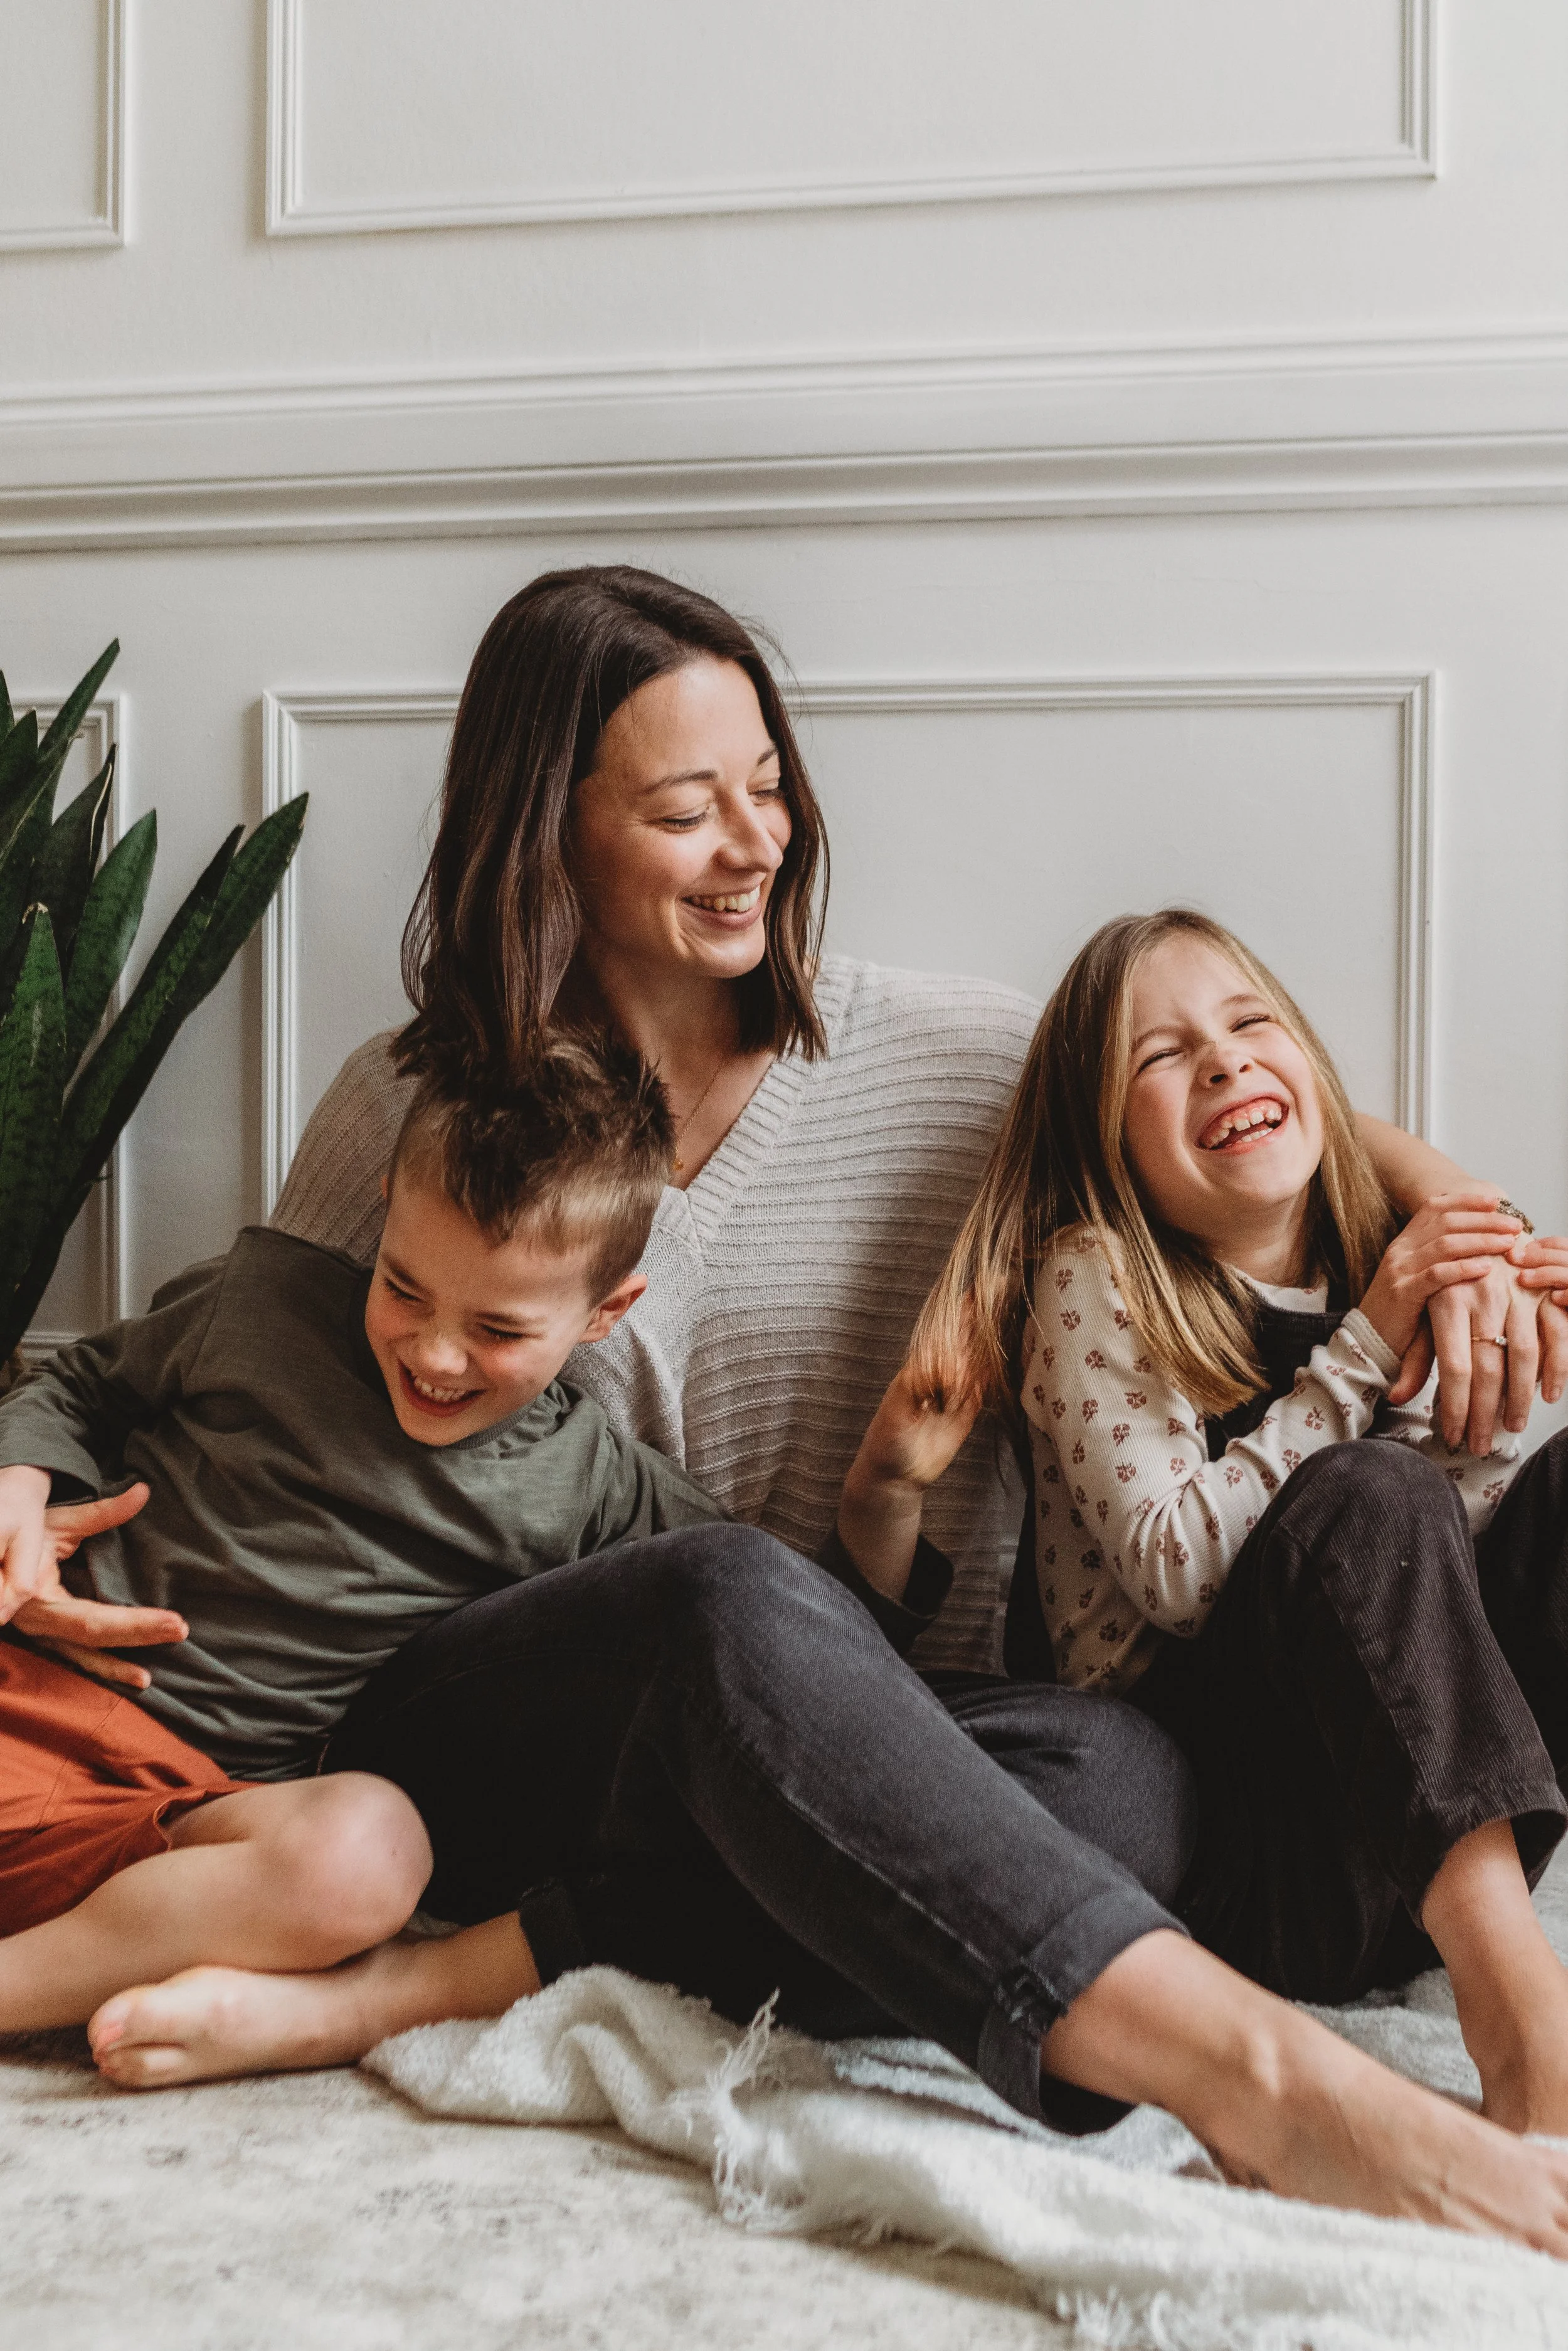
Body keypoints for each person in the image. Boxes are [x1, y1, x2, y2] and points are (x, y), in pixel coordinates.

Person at [271, 565, 1564, 1674]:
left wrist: (1470, 1241)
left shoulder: (947, 1056)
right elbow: (232, 1387)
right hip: (594, 1689)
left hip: (918, 1694)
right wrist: (51, 1466)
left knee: (1106, 1784)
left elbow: (1257, 1119)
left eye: (768, 788)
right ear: (546, 828)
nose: (754, 844)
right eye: (683, 811)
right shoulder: (402, 1105)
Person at [900, 906, 1568, 2139]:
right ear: (1105, 1142)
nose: (1220, 1059)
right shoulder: (1089, 1275)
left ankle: (1487, 1937)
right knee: (1367, 1493)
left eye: (1249, 1022)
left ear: (1308, 1066)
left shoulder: (1369, 1254)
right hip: (1238, 1861)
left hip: (1402, 1842)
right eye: (1159, 1056)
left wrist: (1476, 1410)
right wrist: (1365, 1352)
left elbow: (1425, 1599)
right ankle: (1522, 2023)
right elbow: (1174, 1567)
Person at [0, 1041, 722, 2027]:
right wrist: (16, 1483)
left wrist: (881, 1516)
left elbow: (756, 1608)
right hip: (24, 1674)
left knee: (373, 1855)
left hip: (167, 1810)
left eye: (498, 1330)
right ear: (383, 1209)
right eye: (405, 1288)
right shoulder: (263, 1301)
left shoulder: (589, 1482)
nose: (433, 1353)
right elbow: (80, 1383)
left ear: (607, 1311)